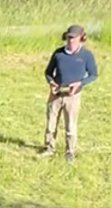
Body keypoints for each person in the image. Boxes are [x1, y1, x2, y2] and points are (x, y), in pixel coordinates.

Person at [39, 25, 98, 162]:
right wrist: (51, 82)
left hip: (73, 95)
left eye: (73, 38)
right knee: (51, 123)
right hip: (56, 93)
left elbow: (93, 75)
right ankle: (49, 148)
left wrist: (80, 84)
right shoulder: (58, 54)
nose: (70, 40)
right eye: (68, 37)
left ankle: (70, 151)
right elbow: (48, 72)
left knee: (70, 125)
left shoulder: (86, 55)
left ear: (81, 38)